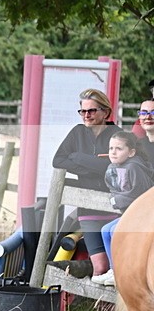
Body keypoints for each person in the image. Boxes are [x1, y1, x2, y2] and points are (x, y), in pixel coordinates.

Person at [52, 88, 122, 278]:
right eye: (83, 111)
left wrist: (78, 157)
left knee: (117, 269)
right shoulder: (77, 133)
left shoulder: (118, 135)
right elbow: (58, 160)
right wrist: (94, 166)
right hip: (88, 210)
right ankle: (99, 309)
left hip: (115, 211)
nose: (86, 115)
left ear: (105, 112)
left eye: (91, 111)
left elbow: (114, 167)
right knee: (99, 267)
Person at [91, 131, 154, 286]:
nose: (113, 152)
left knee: (115, 231)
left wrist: (115, 200)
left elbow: (139, 194)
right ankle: (114, 269)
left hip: (144, 214)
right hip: (130, 214)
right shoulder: (115, 167)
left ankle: (123, 271)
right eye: (111, 148)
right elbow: (116, 188)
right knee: (106, 230)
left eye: (119, 148)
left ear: (131, 152)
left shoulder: (134, 167)